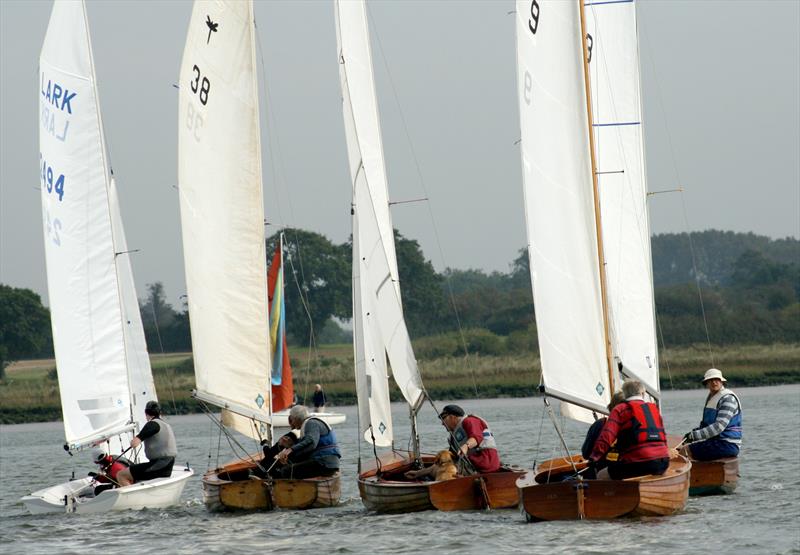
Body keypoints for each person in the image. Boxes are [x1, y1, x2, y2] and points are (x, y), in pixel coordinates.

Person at [587, 379, 670, 480]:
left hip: (636, 463)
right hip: (662, 463)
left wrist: (594, 458)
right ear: (643, 393)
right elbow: (663, 436)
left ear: (625, 394)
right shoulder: (654, 409)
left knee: (600, 475)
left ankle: (615, 495)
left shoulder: (619, 409)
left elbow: (607, 436)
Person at [681, 368, 742, 461]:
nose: (714, 382)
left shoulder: (728, 399)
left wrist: (694, 436)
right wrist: (690, 435)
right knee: (684, 449)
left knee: (684, 451)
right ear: (706, 383)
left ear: (722, 382)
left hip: (728, 444)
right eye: (710, 380)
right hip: (716, 442)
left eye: (717, 379)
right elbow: (705, 425)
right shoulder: (712, 398)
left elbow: (718, 427)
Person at [117, 401, 177, 486]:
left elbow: (134, 443)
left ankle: (132, 497)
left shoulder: (152, 424)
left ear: (146, 413)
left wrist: (134, 441)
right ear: (160, 412)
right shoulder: (166, 424)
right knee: (136, 472)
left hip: (158, 466)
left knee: (121, 475)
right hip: (168, 465)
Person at [274, 405, 340, 479]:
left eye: (292, 420)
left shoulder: (311, 423)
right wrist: (291, 445)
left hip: (324, 463)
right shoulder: (309, 424)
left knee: (286, 471)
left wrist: (291, 449)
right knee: (290, 465)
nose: (291, 423)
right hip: (327, 463)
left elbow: (311, 441)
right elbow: (306, 446)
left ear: (296, 418)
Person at [439, 404, 501, 474]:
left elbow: (476, 437)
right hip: (471, 466)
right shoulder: (453, 436)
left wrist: (466, 446)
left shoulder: (469, 421)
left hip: (485, 466)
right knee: (437, 469)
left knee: (444, 472)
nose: (442, 423)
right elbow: (452, 456)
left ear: (452, 417)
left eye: (443, 419)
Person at [580, 390, 626, 478]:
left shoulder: (599, 425)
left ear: (611, 407)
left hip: (602, 473)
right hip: (627, 471)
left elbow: (586, 454)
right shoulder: (633, 425)